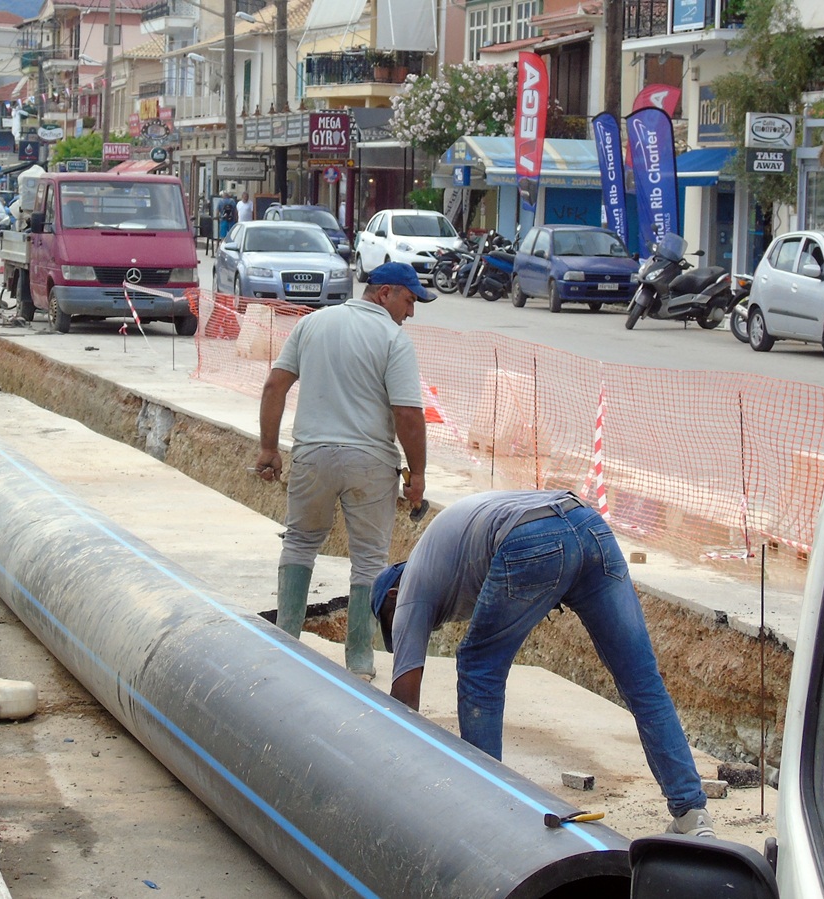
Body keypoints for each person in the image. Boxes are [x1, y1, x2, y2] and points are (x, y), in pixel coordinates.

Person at [370, 489, 716, 838]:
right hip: (588, 526)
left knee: (479, 669)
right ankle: (691, 813)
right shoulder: (445, 560)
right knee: (642, 680)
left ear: (393, 598)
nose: (401, 629)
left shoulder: (410, 590)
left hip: (532, 537)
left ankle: (486, 811)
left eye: (391, 621)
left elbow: (405, 701)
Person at [255, 262, 432, 678]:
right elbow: (406, 412)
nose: (411, 312)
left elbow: (274, 385)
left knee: (299, 544)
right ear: (384, 293)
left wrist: (268, 447)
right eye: (409, 300)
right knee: (369, 561)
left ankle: (286, 647)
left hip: (312, 454)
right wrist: (418, 473)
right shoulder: (393, 340)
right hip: (369, 462)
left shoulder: (313, 323)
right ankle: (359, 661)